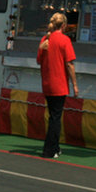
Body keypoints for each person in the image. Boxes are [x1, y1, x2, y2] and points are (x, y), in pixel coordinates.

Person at [36, 11, 80, 158]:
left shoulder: (45, 39)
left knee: (52, 115)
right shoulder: (64, 40)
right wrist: (74, 84)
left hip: (47, 82)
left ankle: (55, 146)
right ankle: (50, 149)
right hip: (59, 83)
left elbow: (39, 60)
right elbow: (70, 64)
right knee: (55, 117)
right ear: (64, 25)